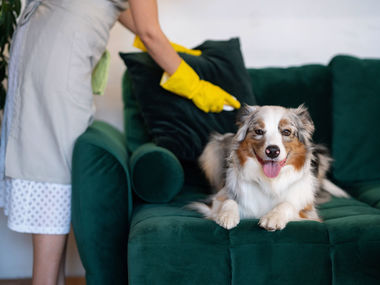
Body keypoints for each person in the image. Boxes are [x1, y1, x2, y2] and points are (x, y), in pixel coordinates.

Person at [0, 0, 240, 284]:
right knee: (51, 174)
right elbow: (149, 32)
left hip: (45, 46)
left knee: (53, 170)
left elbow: (128, 15)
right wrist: (195, 86)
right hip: (56, 58)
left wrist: (172, 51)